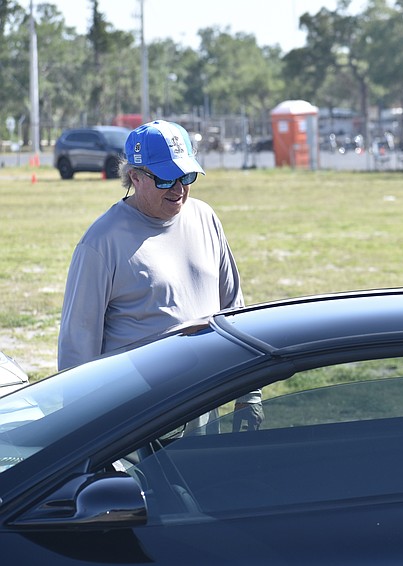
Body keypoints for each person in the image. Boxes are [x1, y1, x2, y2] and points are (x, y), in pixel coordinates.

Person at [58, 120, 261, 430]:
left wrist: (249, 393)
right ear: (135, 177)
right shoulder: (101, 243)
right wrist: (81, 433)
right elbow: (77, 347)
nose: (179, 189)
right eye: (166, 178)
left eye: (186, 175)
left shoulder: (205, 217)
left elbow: (234, 309)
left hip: (206, 402)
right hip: (140, 419)